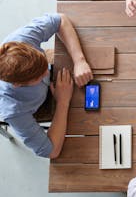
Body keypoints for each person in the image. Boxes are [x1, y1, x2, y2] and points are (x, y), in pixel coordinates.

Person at [0, 14, 93, 158]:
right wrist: (62, 102)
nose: (46, 72)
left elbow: (60, 19)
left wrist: (79, 61)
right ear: (17, 85)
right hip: (39, 106)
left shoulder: (19, 41)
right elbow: (50, 151)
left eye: (44, 66)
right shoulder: (13, 111)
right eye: (39, 76)